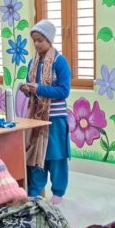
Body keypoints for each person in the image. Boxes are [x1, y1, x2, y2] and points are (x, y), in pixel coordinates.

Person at [21, 20, 72, 205]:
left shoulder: (60, 62)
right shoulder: (32, 63)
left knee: (56, 156)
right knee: (36, 155)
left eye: (40, 40)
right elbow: (33, 89)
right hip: (36, 118)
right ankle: (35, 191)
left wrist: (39, 89)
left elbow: (64, 91)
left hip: (55, 119)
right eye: (34, 40)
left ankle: (58, 191)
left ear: (50, 40)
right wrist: (27, 90)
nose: (36, 44)